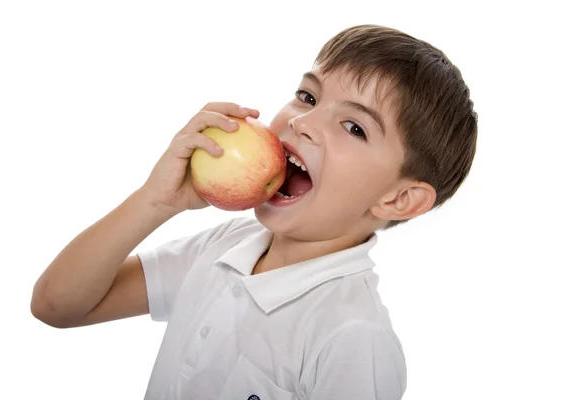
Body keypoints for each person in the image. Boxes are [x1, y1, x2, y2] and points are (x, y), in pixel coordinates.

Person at [30, 24, 477, 399]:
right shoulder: (224, 247)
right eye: (307, 97)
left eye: (354, 127)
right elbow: (57, 305)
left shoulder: (354, 337)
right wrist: (155, 201)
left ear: (399, 200)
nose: (303, 122)